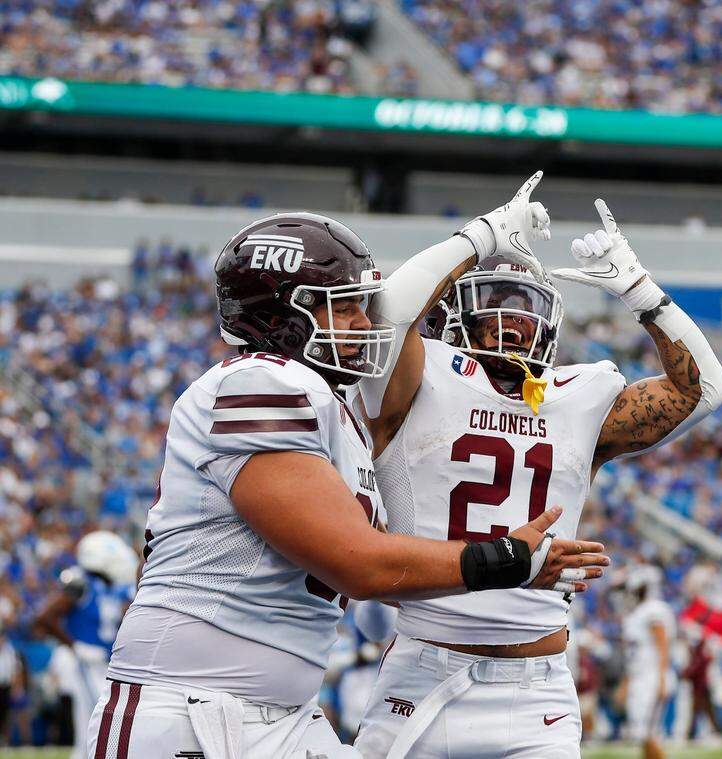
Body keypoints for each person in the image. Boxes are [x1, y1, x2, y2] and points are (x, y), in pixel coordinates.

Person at [87, 209, 608, 759]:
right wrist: (505, 560)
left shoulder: (332, 407)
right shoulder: (259, 381)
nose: (363, 322)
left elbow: (385, 571)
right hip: (190, 711)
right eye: (346, 307)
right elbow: (358, 564)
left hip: (282, 715)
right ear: (285, 315)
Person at [351, 184, 722, 758]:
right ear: (453, 317)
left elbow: (703, 390)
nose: (514, 321)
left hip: (537, 690)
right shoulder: (415, 378)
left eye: (525, 307)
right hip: (423, 669)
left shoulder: (578, 397)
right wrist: (483, 235)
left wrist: (639, 290)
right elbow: (387, 312)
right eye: (496, 304)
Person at [35, 531, 136, 759]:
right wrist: (75, 645)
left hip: (107, 662)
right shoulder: (80, 582)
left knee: (100, 720)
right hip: (86, 662)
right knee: (97, 718)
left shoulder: (113, 588)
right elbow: (44, 618)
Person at [620, 565, 675, 759]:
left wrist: (661, 677)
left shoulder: (653, 610)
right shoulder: (639, 612)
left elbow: (662, 645)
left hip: (650, 676)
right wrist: (627, 683)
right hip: (640, 676)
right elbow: (633, 655)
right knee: (642, 734)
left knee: (648, 734)